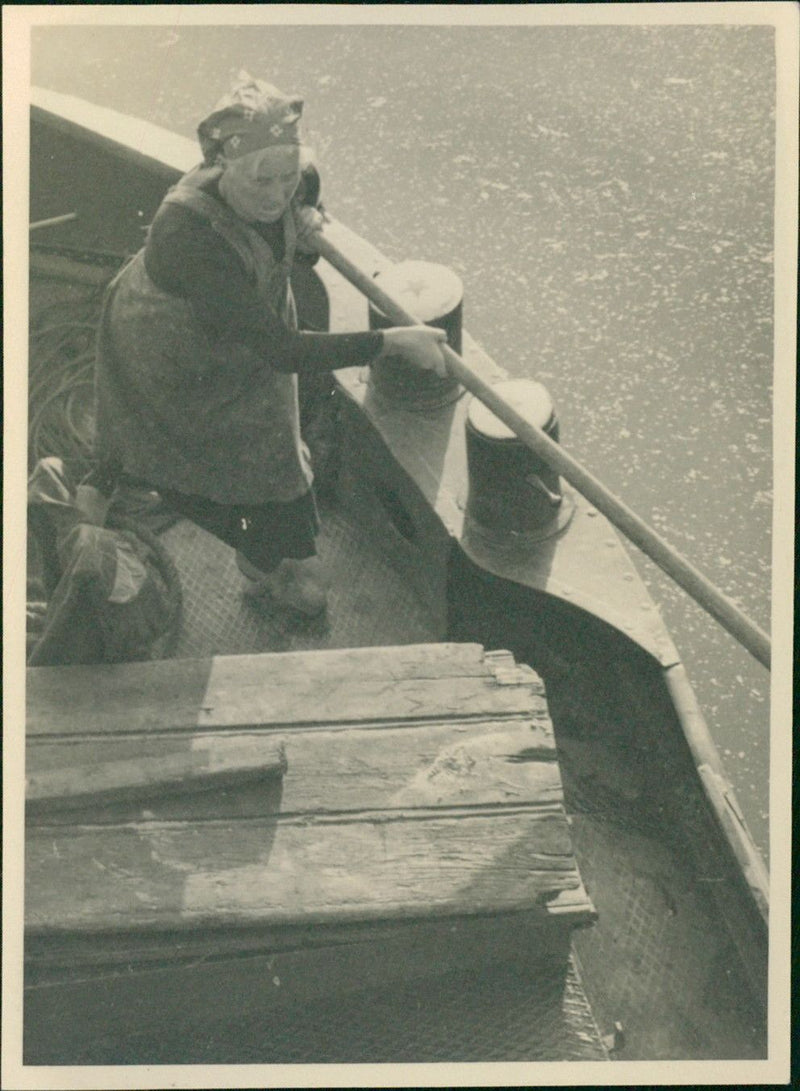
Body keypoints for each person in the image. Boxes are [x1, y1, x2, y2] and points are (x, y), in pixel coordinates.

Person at [94, 73, 447, 618]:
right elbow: (281, 351)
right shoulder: (186, 235)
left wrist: (307, 224)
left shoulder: (295, 179)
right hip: (173, 350)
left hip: (247, 330)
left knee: (270, 454)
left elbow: (286, 254)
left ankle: (262, 562)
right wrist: (391, 343)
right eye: (260, 180)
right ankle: (259, 568)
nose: (276, 194)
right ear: (220, 165)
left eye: (286, 178)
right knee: (193, 447)